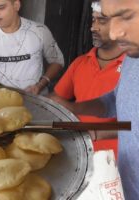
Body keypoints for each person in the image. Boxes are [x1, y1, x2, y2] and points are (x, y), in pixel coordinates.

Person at [50, 0, 139, 199]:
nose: (114, 33)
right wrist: (75, 107)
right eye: (110, 18)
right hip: (119, 188)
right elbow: (115, 101)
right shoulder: (136, 56)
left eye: (126, 16)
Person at [48, 0, 125, 158]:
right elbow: (57, 100)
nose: (93, 27)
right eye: (93, 19)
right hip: (80, 155)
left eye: (102, 20)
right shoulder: (80, 63)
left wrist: (96, 133)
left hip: (117, 164)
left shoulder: (133, 67)